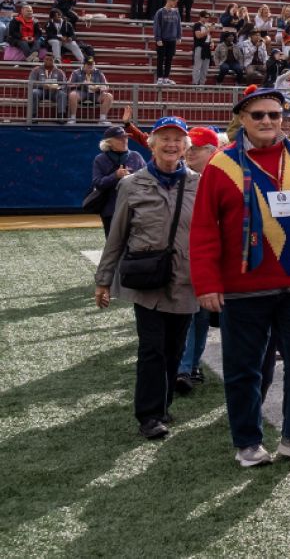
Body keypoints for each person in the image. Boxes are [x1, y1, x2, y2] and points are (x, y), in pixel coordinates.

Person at [189, 86, 290, 468]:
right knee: (245, 368)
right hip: (243, 289)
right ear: (242, 120)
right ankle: (247, 441)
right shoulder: (220, 165)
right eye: (258, 115)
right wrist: (208, 283)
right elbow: (203, 230)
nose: (268, 121)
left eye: (275, 114)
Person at [94, 117, 198, 440]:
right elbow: (117, 237)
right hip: (147, 282)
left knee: (174, 349)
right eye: (164, 138)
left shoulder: (200, 183)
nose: (171, 144)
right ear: (151, 144)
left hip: (186, 282)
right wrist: (103, 279)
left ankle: (163, 405)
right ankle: (149, 415)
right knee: (151, 348)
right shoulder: (131, 185)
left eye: (178, 140)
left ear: (186, 147)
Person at [175, 127, 225, 395]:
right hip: (193, 257)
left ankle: (192, 365)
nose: (190, 151)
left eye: (196, 147)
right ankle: (186, 367)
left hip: (226, 261)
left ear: (211, 151)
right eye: (189, 147)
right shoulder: (183, 178)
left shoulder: (226, 177)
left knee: (213, 317)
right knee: (195, 314)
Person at [90, 125, 147, 236]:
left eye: (125, 137)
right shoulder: (100, 159)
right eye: (120, 138)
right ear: (109, 142)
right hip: (110, 210)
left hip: (133, 208)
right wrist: (115, 176)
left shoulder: (136, 156)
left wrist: (133, 178)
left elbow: (147, 180)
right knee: (113, 246)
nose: (124, 140)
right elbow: (97, 183)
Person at [67, 57, 114, 124]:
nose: (90, 66)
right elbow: (69, 84)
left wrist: (99, 87)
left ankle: (102, 119)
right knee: (72, 95)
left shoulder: (99, 72)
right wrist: (80, 84)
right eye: (88, 64)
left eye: (91, 64)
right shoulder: (76, 72)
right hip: (81, 92)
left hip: (95, 93)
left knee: (109, 96)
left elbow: (106, 86)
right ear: (84, 65)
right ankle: (72, 118)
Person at [28, 53, 67, 121]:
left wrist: (57, 87)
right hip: (41, 91)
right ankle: (33, 116)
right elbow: (31, 83)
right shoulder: (36, 70)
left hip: (54, 92)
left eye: (50, 60)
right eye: (46, 59)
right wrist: (42, 85)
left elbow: (64, 84)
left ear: (53, 61)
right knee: (34, 92)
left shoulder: (59, 71)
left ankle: (61, 116)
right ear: (43, 60)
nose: (48, 61)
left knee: (62, 94)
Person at [153, 0, 182, 85]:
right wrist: (158, 38)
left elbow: (178, 25)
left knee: (169, 59)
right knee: (160, 59)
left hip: (172, 40)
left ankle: (166, 78)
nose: (175, 3)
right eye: (174, 1)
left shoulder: (176, 12)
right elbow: (157, 26)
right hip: (162, 40)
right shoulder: (160, 12)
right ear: (169, 0)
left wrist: (179, 36)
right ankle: (160, 78)